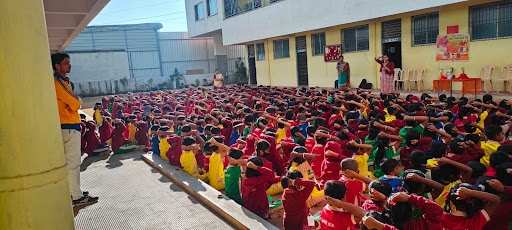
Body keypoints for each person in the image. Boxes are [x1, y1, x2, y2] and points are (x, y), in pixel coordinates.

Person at [51, 53, 98, 205]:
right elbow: (77, 104)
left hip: (69, 126)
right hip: (68, 127)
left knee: (71, 163)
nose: (69, 65)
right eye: (65, 63)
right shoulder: (57, 82)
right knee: (73, 163)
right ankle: (77, 197)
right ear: (57, 66)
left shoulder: (64, 82)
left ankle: (74, 192)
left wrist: (73, 102)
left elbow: (75, 101)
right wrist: (74, 101)